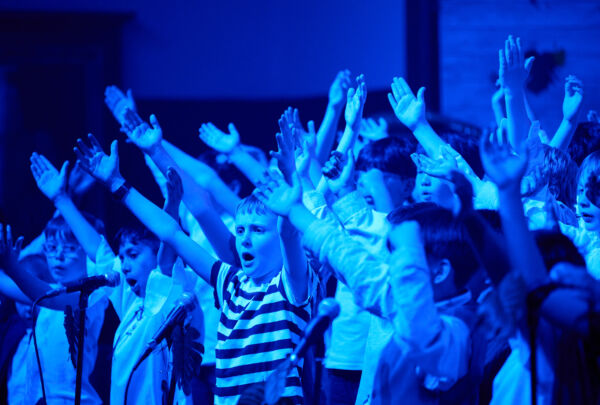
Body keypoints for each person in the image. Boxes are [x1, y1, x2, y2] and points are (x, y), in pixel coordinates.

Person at [74, 133, 311, 405]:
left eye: (257, 230)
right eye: (240, 230)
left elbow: (289, 236)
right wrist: (119, 184)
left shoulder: (291, 285)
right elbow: (172, 232)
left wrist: (290, 203)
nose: (244, 239)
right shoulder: (230, 283)